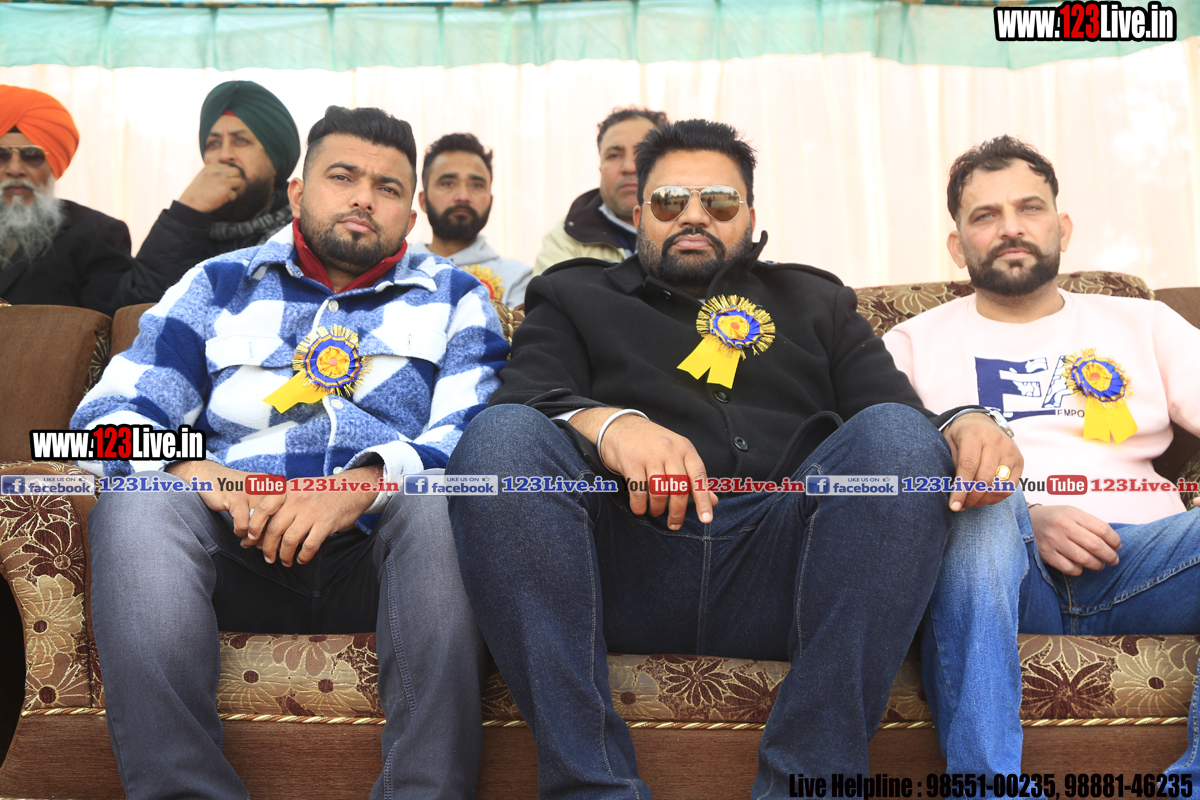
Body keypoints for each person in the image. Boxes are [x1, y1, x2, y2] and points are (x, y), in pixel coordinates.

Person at [447, 119, 1021, 797]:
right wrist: (614, 426)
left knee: (897, 438)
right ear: (638, 215)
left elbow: (898, 414)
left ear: (749, 215)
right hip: (623, 558)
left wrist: (968, 421)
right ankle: (591, 787)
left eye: (719, 202)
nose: (693, 216)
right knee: (500, 439)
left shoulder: (817, 301)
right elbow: (524, 399)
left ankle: (807, 783)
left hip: (789, 564)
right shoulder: (575, 294)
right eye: (669, 202)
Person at [72, 105, 509, 800]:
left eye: (388, 188)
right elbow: (94, 428)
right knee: (138, 505)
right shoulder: (214, 285)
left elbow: (476, 433)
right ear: (299, 192)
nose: (364, 198)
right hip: (235, 550)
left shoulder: (457, 298)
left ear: (411, 215)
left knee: (438, 511)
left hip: (381, 558)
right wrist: (193, 467)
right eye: (343, 177)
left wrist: (362, 484)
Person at [883, 135, 1200, 779]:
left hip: (1147, 562)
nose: (1011, 228)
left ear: (1062, 226)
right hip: (993, 570)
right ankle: (989, 789)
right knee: (981, 510)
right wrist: (1027, 515)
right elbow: (885, 474)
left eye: (1029, 208)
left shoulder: (1145, 323)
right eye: (986, 215)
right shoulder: (908, 344)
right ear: (957, 245)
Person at [111, 80, 300, 307]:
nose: (224, 155)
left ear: (275, 160)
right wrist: (185, 213)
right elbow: (133, 309)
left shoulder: (303, 231)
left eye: (240, 141)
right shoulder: (186, 229)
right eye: (214, 143)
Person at [0, 85, 134, 316]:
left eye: (32, 155)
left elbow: (106, 327)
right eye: (1, 154)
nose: (14, 169)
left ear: (54, 163)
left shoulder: (98, 234)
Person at [533, 106, 668, 274]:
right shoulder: (565, 240)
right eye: (614, 155)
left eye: (643, 154)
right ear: (600, 168)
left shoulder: (693, 225)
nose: (629, 167)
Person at [409, 132, 532, 307]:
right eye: (448, 183)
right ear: (423, 201)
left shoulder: (519, 279)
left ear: (490, 201)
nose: (463, 196)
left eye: (476, 185)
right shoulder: (393, 266)